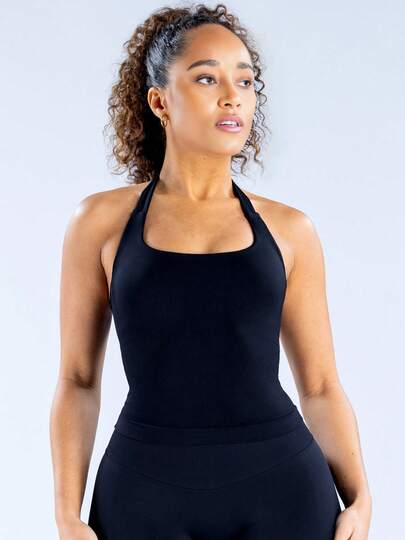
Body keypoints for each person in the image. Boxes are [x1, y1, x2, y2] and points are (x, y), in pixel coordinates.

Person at [50, 4, 372, 539]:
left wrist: (360, 498)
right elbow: (78, 380)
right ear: (159, 101)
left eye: (245, 81)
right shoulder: (100, 223)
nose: (232, 96)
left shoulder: (290, 230)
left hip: (283, 490)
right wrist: (67, 514)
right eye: (207, 78)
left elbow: (319, 386)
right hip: (144, 491)